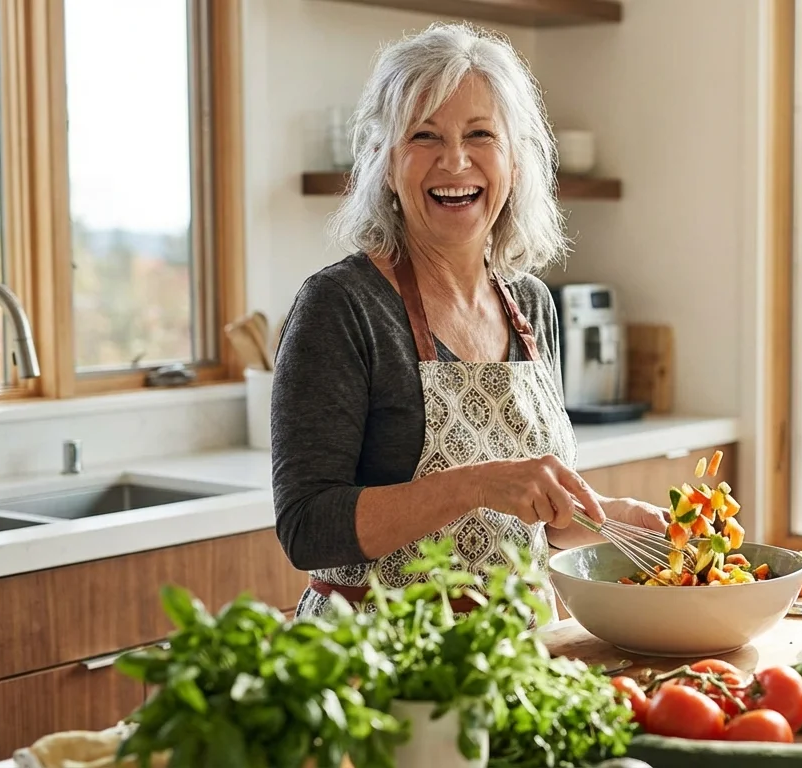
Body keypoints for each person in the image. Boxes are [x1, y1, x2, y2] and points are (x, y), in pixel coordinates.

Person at [271, 22, 667, 618]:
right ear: (384, 161)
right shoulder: (342, 306)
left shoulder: (530, 304)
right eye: (424, 136)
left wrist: (611, 519)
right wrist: (479, 483)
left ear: (515, 160)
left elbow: (531, 523)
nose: (455, 161)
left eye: (481, 134)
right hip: (374, 663)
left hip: (515, 657)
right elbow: (306, 528)